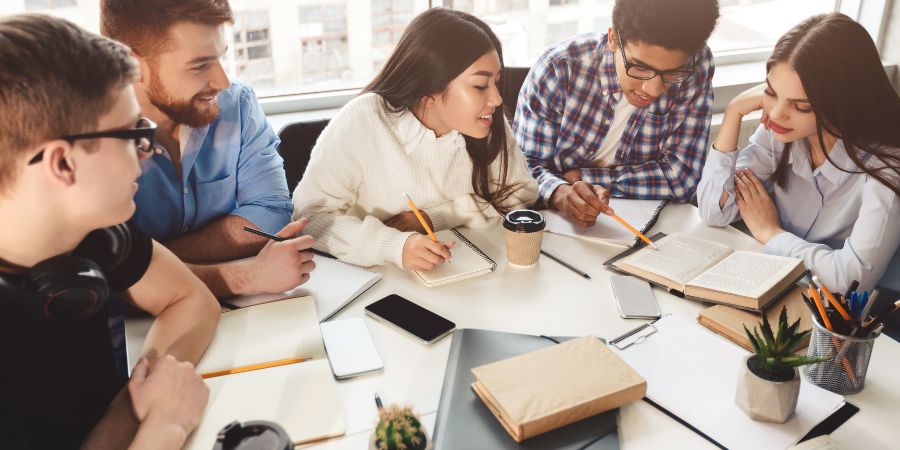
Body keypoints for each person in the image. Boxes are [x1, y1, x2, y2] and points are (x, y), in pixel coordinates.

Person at [0, 14, 220, 449]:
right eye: (132, 133)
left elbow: (192, 299)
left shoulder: (95, 232)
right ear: (63, 163)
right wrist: (163, 424)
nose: (148, 150)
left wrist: (130, 407)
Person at [292, 8, 538, 271]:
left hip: (473, 275)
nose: (497, 99)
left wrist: (434, 219)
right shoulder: (364, 119)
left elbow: (522, 192)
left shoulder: (487, 120)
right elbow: (310, 220)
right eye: (480, 86)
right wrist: (393, 244)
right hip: (383, 283)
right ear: (430, 89)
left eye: (497, 83)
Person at [100, 0, 315, 297]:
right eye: (200, 65)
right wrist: (245, 276)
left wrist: (144, 260)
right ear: (133, 65)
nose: (222, 81)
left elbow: (271, 214)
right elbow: (107, 278)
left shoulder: (236, 104)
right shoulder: (89, 139)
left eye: (220, 58)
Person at [697, 13, 900, 292]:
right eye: (771, 92)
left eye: (800, 106)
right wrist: (734, 112)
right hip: (778, 283)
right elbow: (713, 211)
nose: (777, 113)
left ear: (841, 104)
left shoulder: (885, 169)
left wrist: (771, 233)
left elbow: (851, 281)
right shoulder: (781, 131)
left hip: (845, 319)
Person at [515, 0, 719, 227]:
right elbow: (522, 169)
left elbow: (683, 178)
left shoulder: (696, 64)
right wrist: (559, 192)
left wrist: (582, 178)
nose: (653, 90)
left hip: (652, 226)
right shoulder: (559, 68)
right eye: (640, 68)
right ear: (613, 38)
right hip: (554, 227)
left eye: (672, 73)